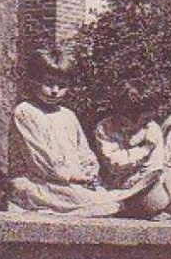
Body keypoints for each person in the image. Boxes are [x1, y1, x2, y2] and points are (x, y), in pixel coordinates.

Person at [7, 48, 124, 217]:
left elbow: (83, 150)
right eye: (49, 83)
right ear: (34, 82)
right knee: (97, 205)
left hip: (72, 181)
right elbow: (40, 160)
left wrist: (89, 171)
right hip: (39, 182)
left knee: (111, 202)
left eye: (62, 86)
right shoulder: (26, 112)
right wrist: (74, 177)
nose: (55, 91)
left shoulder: (68, 115)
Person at [93, 106, 171, 221]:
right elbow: (116, 164)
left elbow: (158, 168)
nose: (137, 122)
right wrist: (145, 149)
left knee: (159, 198)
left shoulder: (152, 128)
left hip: (146, 189)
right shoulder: (106, 127)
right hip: (118, 190)